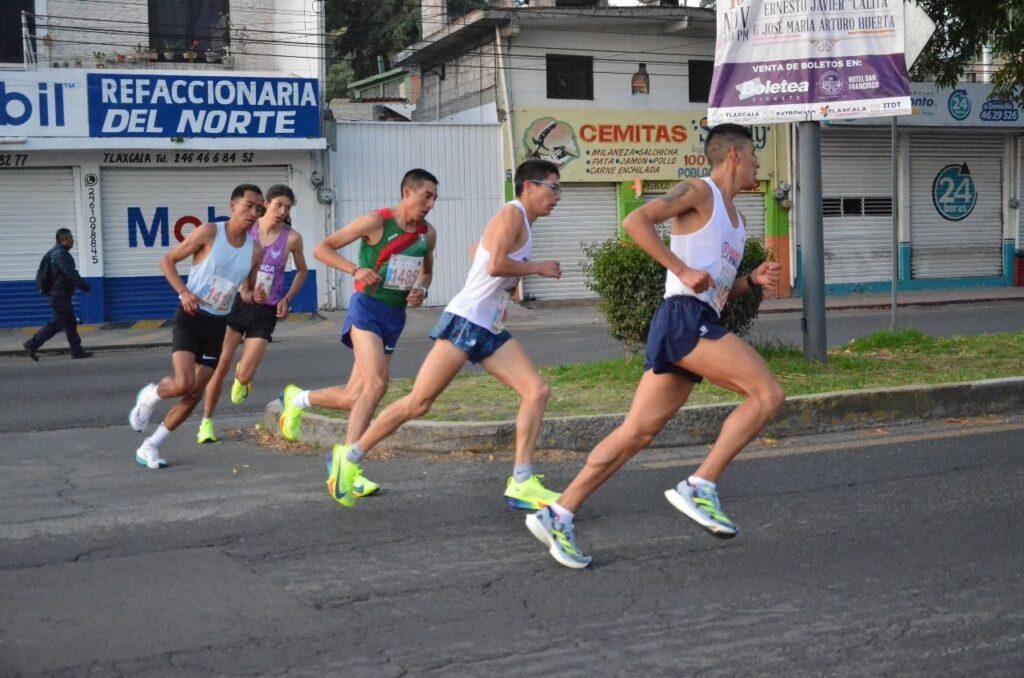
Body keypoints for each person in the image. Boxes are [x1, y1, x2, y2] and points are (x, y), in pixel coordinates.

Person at [525, 124, 784, 568]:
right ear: (735, 156)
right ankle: (700, 486)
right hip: (684, 317)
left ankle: (558, 512)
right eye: (755, 157)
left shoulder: (737, 222)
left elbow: (716, 287)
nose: (760, 165)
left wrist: (750, 281)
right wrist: (680, 269)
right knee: (768, 394)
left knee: (637, 432)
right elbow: (635, 221)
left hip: (696, 317)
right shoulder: (699, 191)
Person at [325, 159, 564, 511]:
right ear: (529, 186)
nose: (558, 197)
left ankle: (522, 481)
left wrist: (502, 285)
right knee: (418, 402)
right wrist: (536, 268)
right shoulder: (512, 215)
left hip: (488, 326)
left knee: (537, 391)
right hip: (466, 321)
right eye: (553, 188)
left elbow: (480, 254)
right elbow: (495, 263)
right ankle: (351, 455)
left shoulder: (523, 222)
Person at [277, 169, 439, 498]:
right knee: (378, 383)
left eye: (435, 198)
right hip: (366, 307)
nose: (431, 204)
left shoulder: (427, 234)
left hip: (395, 315)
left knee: (355, 395)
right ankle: (346, 465)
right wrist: (355, 269)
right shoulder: (375, 222)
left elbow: (426, 272)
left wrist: (421, 289)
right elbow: (323, 248)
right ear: (407, 192)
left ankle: (297, 399)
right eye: (427, 196)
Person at [128, 184, 266, 469]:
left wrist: (255, 297)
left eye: (259, 209)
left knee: (194, 395)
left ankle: (150, 445)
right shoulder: (210, 232)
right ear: (233, 206)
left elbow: (244, 291)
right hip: (190, 316)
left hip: (218, 324)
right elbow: (167, 260)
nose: (254, 213)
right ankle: (150, 395)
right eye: (249, 206)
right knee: (183, 383)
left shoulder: (255, 251)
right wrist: (184, 292)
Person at [196, 184, 308, 444]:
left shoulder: (292, 238)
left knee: (243, 375)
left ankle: (243, 377)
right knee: (220, 365)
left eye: (288, 207)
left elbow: (302, 270)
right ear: (266, 203)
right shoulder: (248, 231)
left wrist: (287, 298)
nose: (282, 211)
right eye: (278, 204)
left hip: (266, 310)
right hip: (236, 303)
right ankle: (206, 423)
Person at [23, 228, 92, 360]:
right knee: (56, 324)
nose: (73, 241)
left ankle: (77, 351)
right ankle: (32, 344)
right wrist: (85, 287)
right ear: (63, 240)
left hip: (62, 294)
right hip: (59, 295)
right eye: (71, 238)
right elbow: (70, 273)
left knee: (70, 323)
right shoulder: (60, 254)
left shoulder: (56, 252)